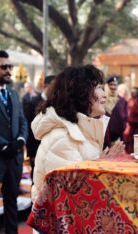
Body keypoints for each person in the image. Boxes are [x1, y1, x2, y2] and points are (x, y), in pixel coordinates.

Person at [31, 65, 124, 201]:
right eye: (98, 88)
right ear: (81, 93)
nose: (104, 95)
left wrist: (101, 163)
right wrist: (103, 165)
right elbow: (72, 192)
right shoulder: (62, 137)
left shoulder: (80, 129)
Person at [0, 50, 28, 233]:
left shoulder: (13, 93)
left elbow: (22, 121)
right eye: (4, 67)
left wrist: (20, 140)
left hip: (14, 159)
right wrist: (3, 144)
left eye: (10, 67)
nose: (9, 70)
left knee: (12, 205)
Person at [22, 75, 55, 181]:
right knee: (37, 181)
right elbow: (28, 128)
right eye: (55, 85)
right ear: (45, 86)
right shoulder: (32, 103)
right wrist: (31, 153)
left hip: (53, 150)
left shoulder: (58, 103)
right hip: (36, 149)